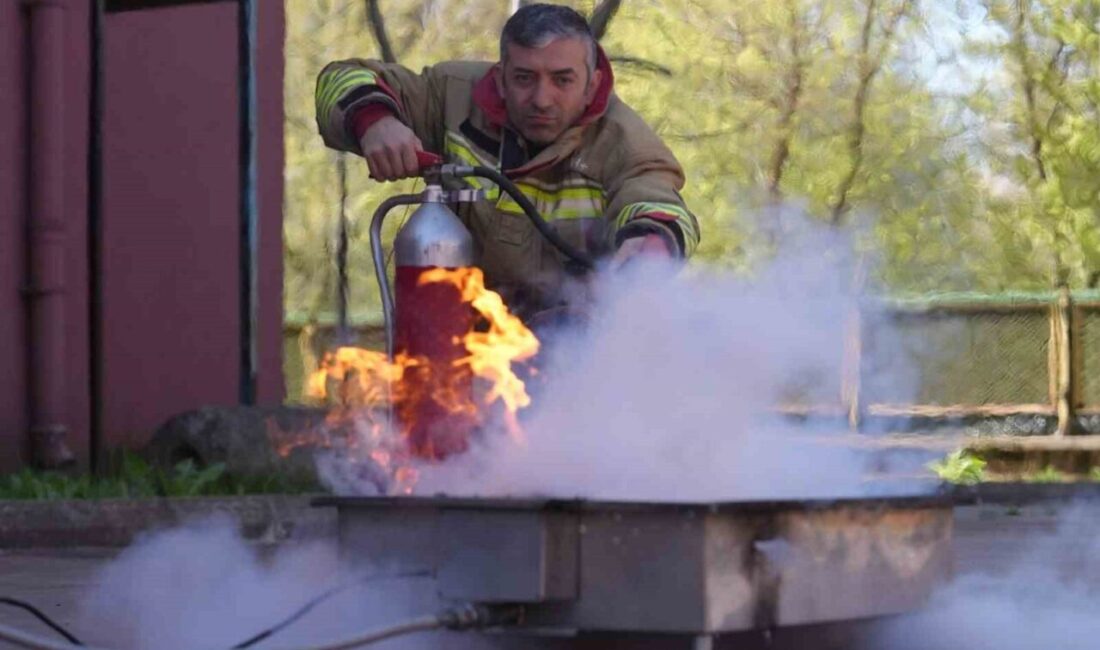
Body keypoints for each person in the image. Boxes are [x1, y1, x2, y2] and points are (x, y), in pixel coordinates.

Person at [315, 3, 700, 321]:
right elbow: (340, 78)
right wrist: (373, 121)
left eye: (562, 80)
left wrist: (647, 249)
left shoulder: (623, 141)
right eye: (524, 78)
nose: (542, 99)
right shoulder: (450, 96)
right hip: (451, 357)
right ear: (499, 78)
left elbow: (655, 197)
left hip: (573, 365)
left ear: (593, 85)